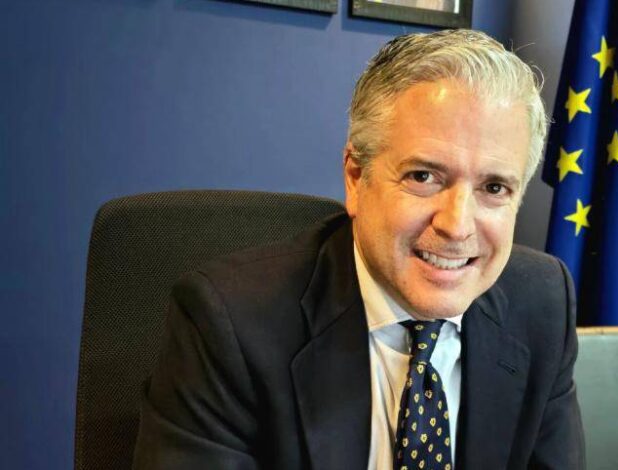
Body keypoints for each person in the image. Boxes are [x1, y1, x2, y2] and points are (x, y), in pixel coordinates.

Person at [132, 29, 584, 470]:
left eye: (494, 187)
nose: (457, 225)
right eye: (423, 177)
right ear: (355, 177)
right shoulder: (233, 323)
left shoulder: (541, 302)